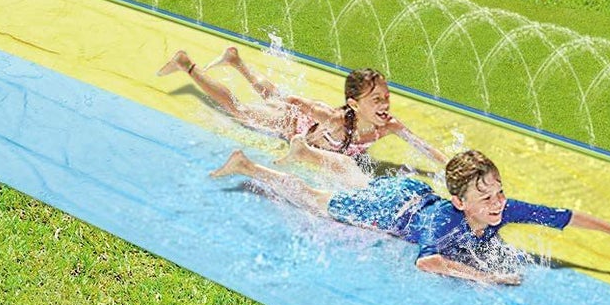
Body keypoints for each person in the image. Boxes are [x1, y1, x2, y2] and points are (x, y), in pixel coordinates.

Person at [211, 147, 610, 287]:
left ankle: (309, 152)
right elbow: (427, 261)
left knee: (361, 180)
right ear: (461, 202)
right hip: (391, 210)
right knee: (315, 199)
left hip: (412, 191)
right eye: (486, 197)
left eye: (499, 192)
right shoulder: (446, 223)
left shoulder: (500, 210)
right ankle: (249, 167)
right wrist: (487, 278)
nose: (498, 203)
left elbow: (563, 216)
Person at [159, 47, 448, 182]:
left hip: (306, 123)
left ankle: (236, 61)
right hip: (293, 122)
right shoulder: (334, 118)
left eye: (386, 98)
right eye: (376, 100)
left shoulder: (389, 125)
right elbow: (297, 101)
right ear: (354, 104)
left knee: (269, 96)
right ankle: (187, 65)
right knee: (240, 110)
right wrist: (281, 103)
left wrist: (447, 167)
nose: (384, 105)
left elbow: (421, 146)